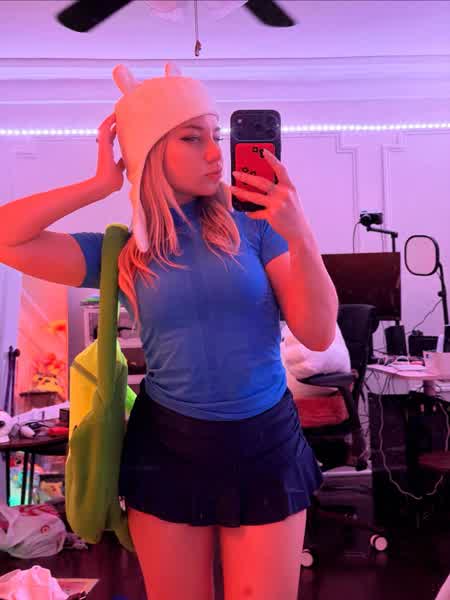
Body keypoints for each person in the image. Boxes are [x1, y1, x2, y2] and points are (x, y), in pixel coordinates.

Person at [0, 62, 338, 600]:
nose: (215, 153)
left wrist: (301, 235)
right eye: (192, 137)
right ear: (150, 150)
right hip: (168, 448)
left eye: (216, 135)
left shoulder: (256, 227)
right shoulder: (123, 251)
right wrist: (100, 184)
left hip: (265, 443)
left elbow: (318, 334)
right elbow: (7, 237)